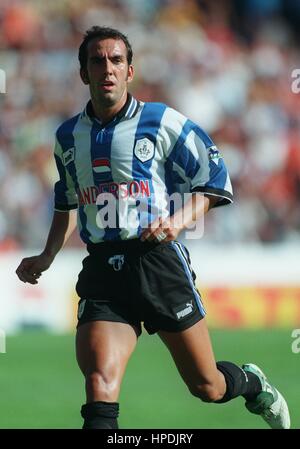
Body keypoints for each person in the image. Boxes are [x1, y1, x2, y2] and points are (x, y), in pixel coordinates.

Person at [16, 26, 290, 430]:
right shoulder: (67, 137)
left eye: (115, 60)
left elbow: (213, 178)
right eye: (96, 61)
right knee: (99, 385)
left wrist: (176, 221)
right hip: (103, 270)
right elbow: (67, 200)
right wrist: (47, 254)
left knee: (206, 385)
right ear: (83, 73)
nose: (106, 68)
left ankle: (252, 384)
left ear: (130, 71)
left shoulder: (161, 121)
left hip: (157, 264)